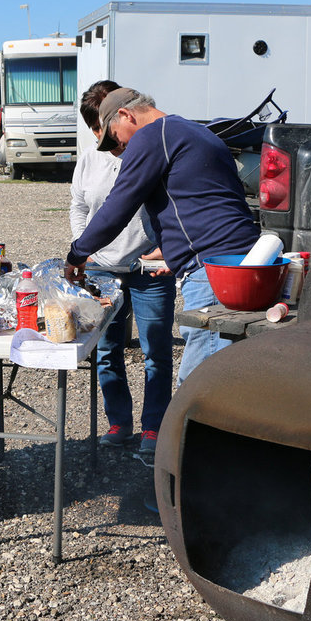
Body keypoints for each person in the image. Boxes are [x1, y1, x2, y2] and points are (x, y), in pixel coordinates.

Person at [65, 87, 260, 401]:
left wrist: (77, 253)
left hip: (212, 272)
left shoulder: (152, 136)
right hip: (239, 264)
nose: (121, 148)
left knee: (200, 388)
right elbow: (207, 202)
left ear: (127, 115)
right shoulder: (195, 131)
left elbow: (118, 206)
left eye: (116, 138)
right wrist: (174, 250)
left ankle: (188, 449)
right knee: (229, 375)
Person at [70, 81, 175, 455]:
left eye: (106, 129)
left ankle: (154, 428)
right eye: (97, 131)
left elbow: (174, 205)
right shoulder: (90, 158)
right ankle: (119, 422)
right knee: (106, 350)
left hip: (149, 270)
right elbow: (80, 206)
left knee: (156, 353)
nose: (104, 138)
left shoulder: (150, 152)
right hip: (101, 270)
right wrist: (85, 251)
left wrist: (168, 248)